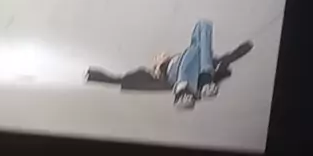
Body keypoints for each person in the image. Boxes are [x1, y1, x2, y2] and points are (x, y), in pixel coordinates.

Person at [85, 21, 253, 110]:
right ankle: (188, 87)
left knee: (203, 26)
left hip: (198, 70)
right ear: (156, 67)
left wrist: (240, 51)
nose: (163, 55)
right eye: (159, 57)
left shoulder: (190, 57)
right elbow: (119, 79)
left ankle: (203, 81)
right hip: (177, 76)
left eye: (163, 54)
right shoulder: (160, 72)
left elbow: (222, 59)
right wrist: (95, 76)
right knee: (196, 49)